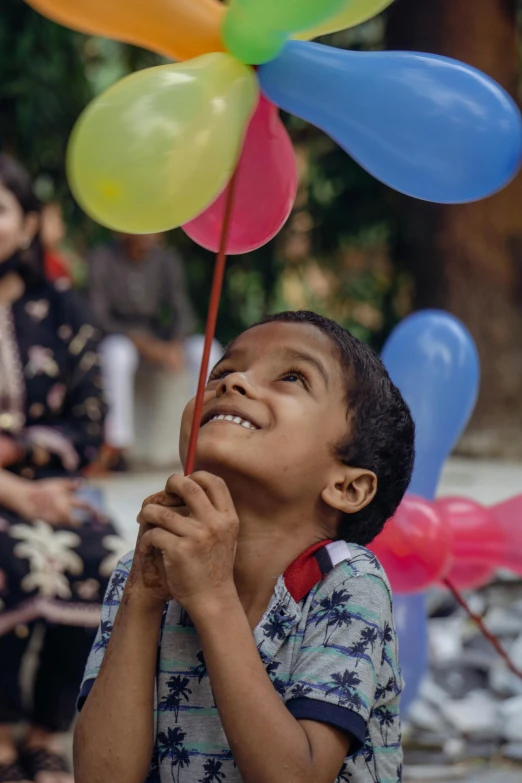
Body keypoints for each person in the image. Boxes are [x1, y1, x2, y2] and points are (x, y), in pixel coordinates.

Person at [74, 310, 415, 783]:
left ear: (348, 487)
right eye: (223, 370)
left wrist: (212, 596)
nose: (234, 383)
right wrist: (143, 597)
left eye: (293, 376)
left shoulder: (346, 581)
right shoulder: (144, 570)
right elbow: (102, 776)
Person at [0, 155, 128, 783]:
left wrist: (24, 458)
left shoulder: (65, 311)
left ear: (27, 226)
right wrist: (14, 492)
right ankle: (1, 735)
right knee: (12, 558)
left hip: (52, 486)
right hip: (10, 497)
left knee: (104, 558)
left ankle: (49, 734)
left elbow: (92, 421)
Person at [87, 234, 222, 470]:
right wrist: (146, 346)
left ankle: (203, 434)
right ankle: (117, 445)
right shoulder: (102, 258)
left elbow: (182, 311)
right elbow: (99, 317)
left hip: (161, 339)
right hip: (123, 338)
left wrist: (174, 345)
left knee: (206, 350)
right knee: (117, 353)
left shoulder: (166, 259)